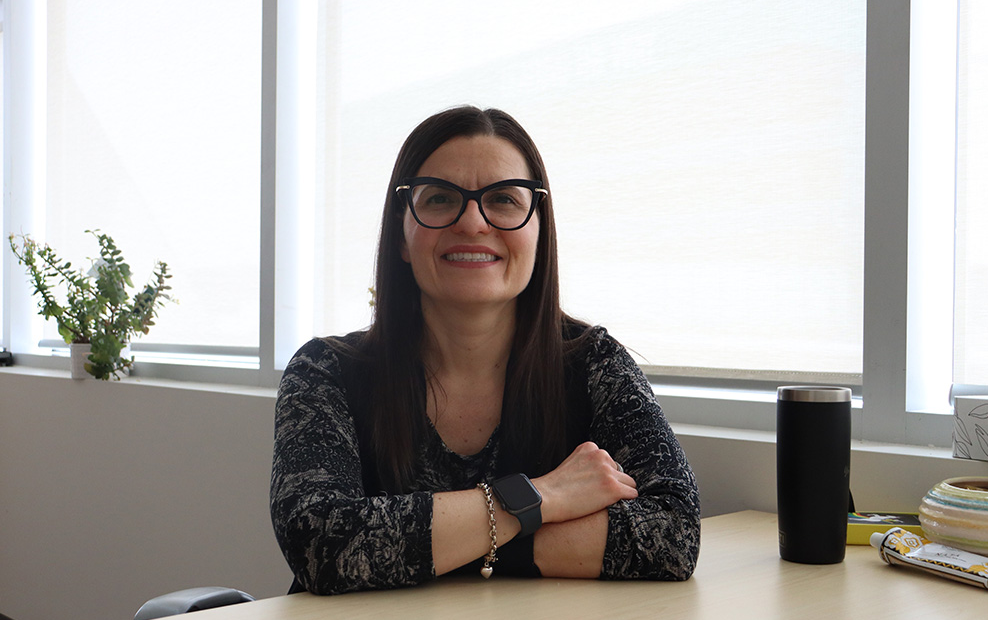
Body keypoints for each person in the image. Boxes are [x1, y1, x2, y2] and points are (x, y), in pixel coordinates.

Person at [271, 106, 700, 595]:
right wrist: (541, 497)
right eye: (439, 199)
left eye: (502, 199)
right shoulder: (325, 371)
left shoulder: (593, 361)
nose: (473, 223)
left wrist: (467, 540)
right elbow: (322, 542)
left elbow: (673, 533)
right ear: (402, 236)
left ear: (540, 228)